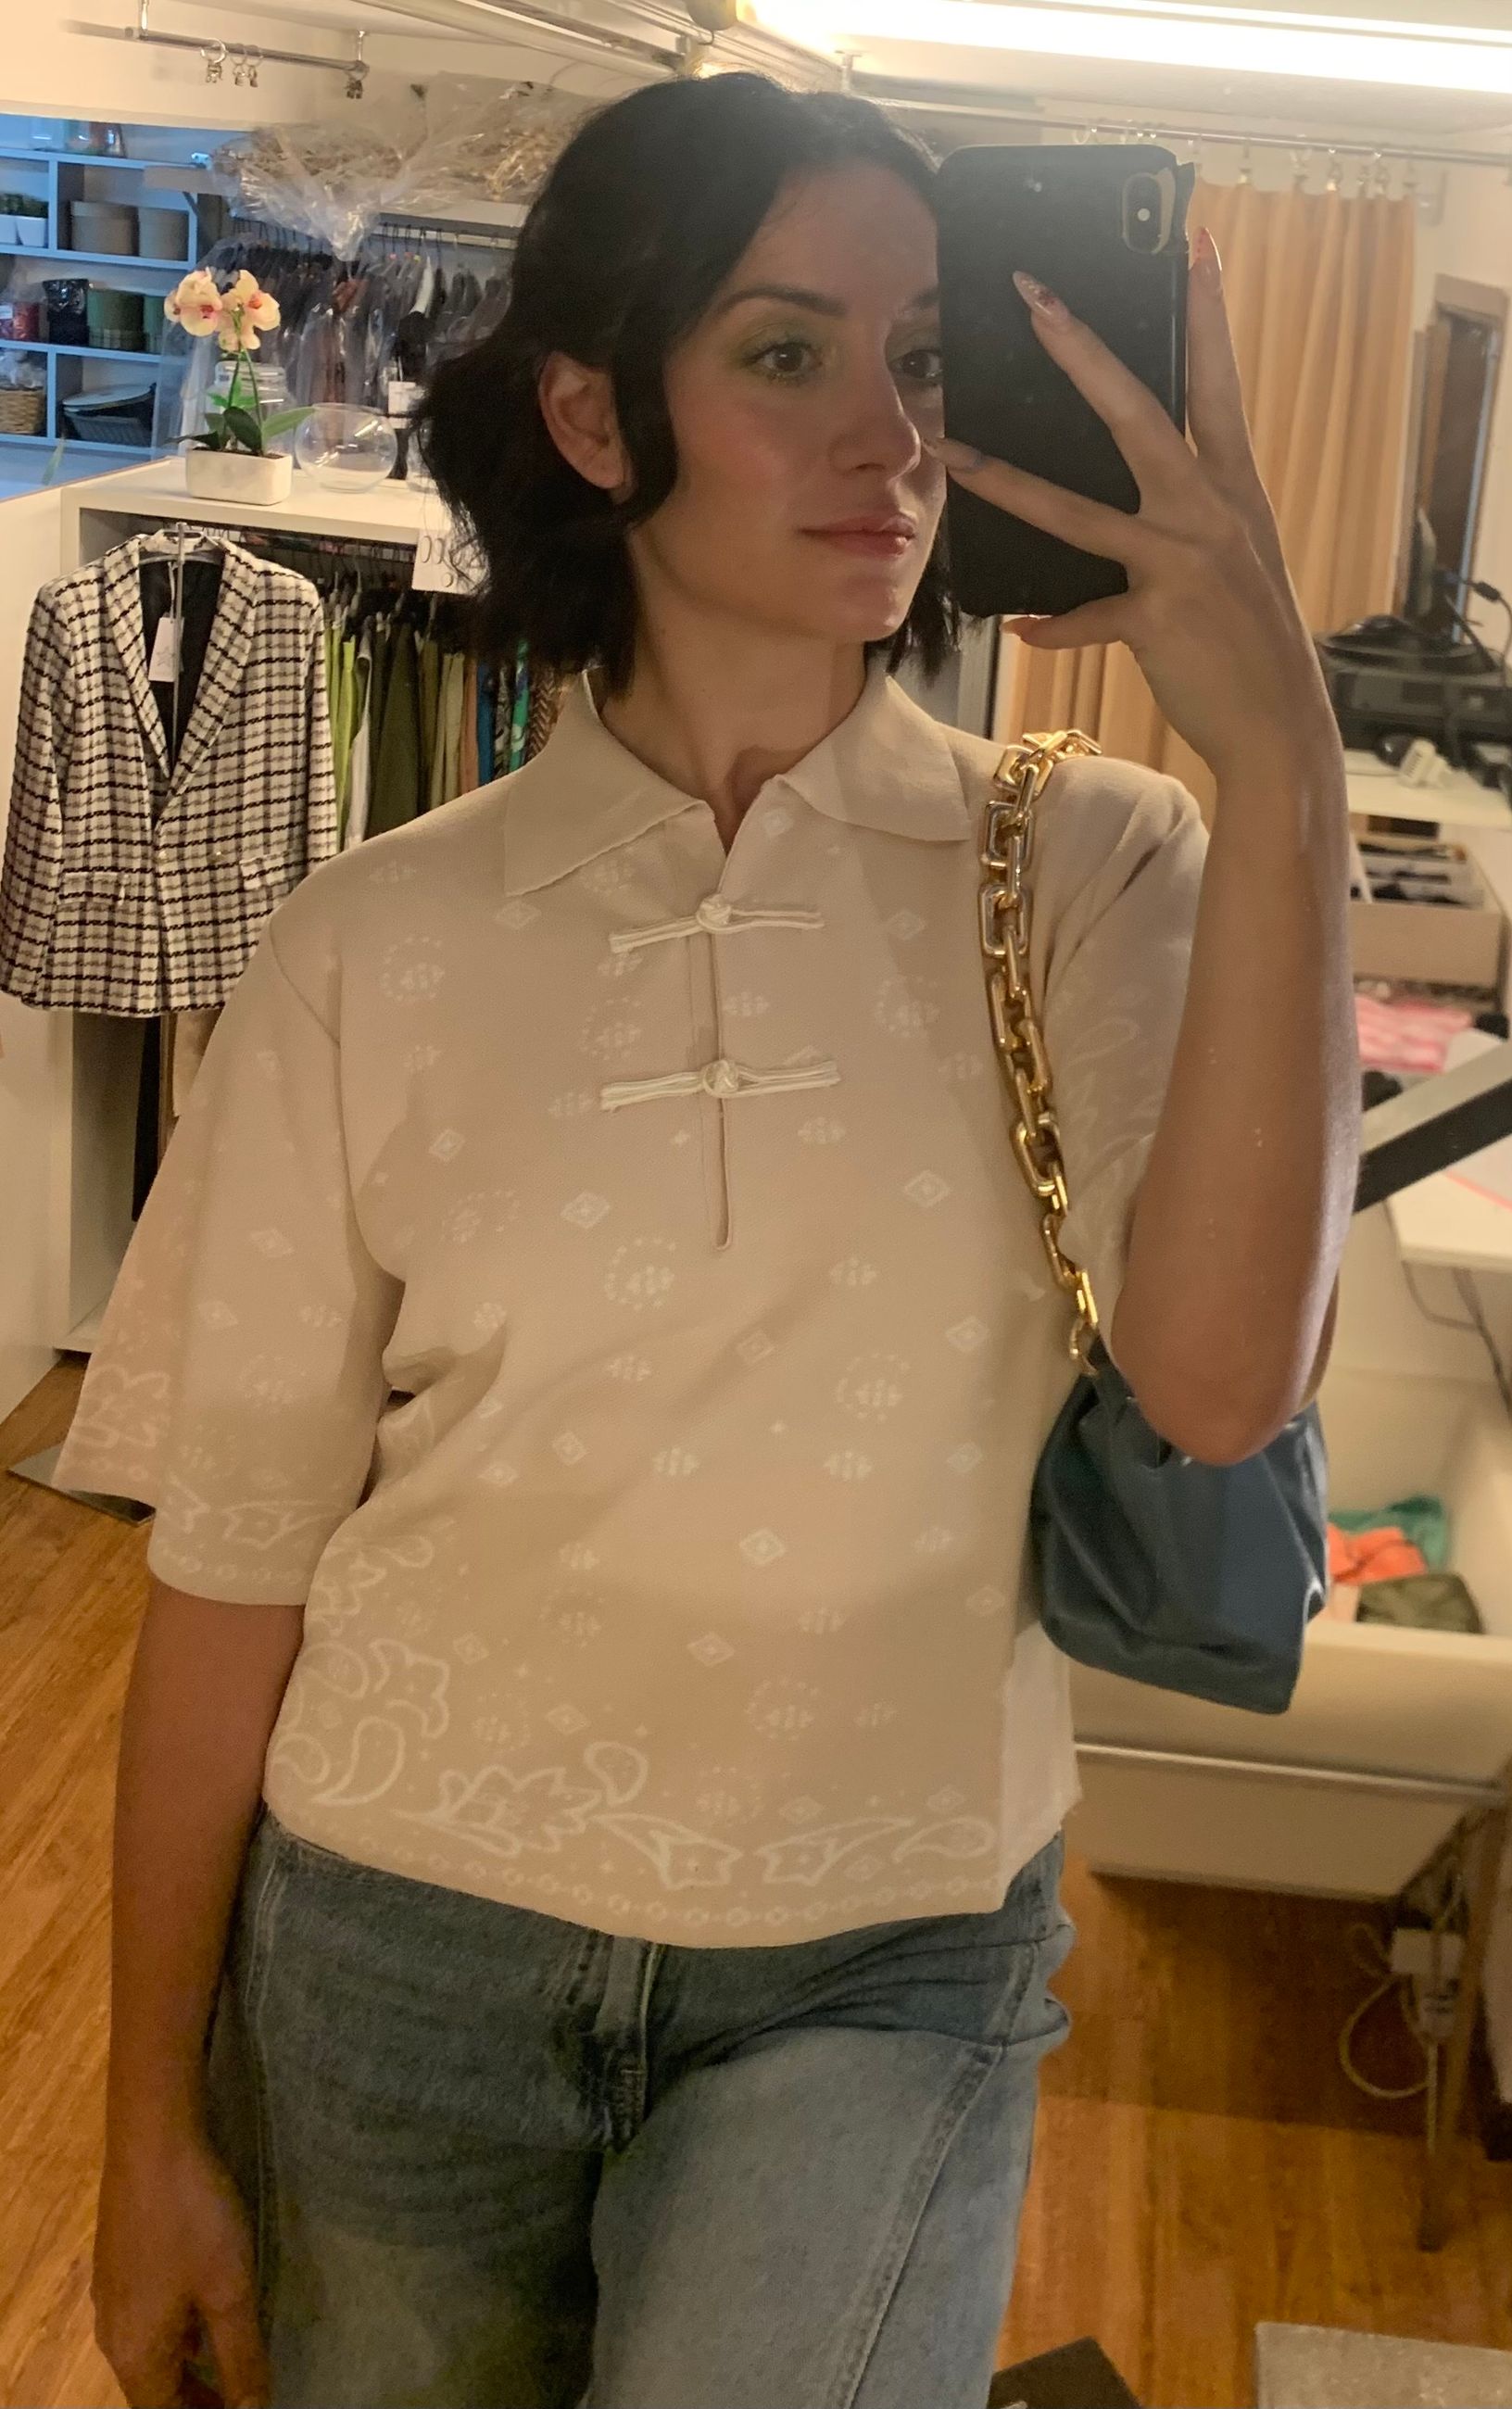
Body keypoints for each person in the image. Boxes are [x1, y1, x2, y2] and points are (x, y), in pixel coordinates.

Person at [62, 69, 1357, 2409]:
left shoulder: (1098, 865)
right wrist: (142, 2121)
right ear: (593, 413)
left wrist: (1288, 771)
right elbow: (235, 1560)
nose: (893, 434)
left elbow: (1215, 1384)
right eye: (788, 352)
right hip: (395, 1938)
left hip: (886, 1936)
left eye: (924, 360)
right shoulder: (377, 938)